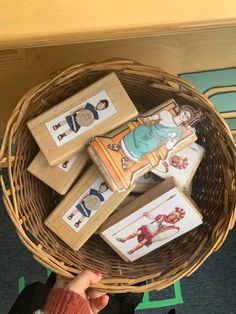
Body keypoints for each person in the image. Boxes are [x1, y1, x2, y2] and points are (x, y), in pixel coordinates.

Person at [108, 106, 195, 170]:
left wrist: (170, 143)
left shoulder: (178, 131)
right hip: (149, 130)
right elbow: (155, 117)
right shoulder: (167, 115)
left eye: (187, 117)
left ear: (186, 120)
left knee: (148, 145)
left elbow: (171, 144)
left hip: (156, 140)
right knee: (140, 130)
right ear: (181, 111)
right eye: (184, 113)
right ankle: (119, 146)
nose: (184, 116)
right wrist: (149, 118)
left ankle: (126, 158)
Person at [116, 207, 185, 255]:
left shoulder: (171, 225)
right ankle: (124, 239)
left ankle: (133, 250)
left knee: (143, 242)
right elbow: (154, 218)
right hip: (147, 228)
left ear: (175, 218)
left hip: (152, 234)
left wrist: (162, 228)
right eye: (172, 213)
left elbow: (165, 232)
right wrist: (147, 215)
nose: (171, 215)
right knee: (136, 233)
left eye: (173, 215)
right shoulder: (162, 216)